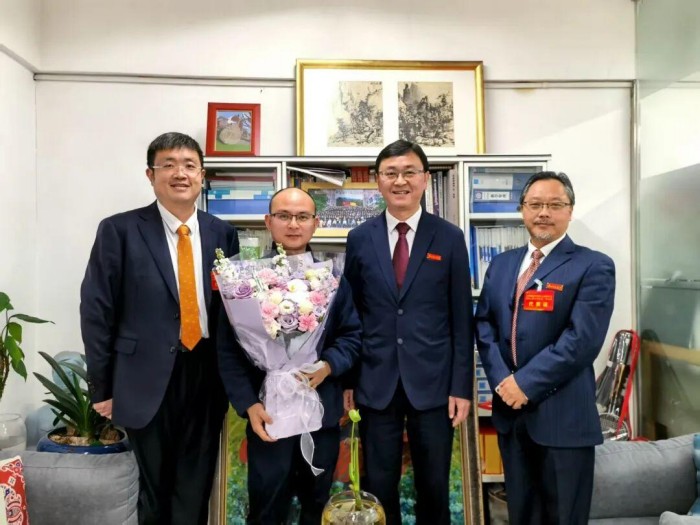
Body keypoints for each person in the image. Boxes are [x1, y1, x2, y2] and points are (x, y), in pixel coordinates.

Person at [80, 132, 240, 525]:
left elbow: (233, 310)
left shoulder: (222, 232)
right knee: (155, 492)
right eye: (168, 165)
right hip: (143, 376)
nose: (179, 173)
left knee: (196, 486)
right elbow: (97, 310)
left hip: (206, 374)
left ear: (202, 175)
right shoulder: (119, 230)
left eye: (189, 165)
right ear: (150, 175)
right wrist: (102, 388)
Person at [343, 139, 474, 525]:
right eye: (390, 173)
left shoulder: (449, 237)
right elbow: (351, 315)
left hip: (434, 385)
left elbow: (461, 318)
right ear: (378, 181)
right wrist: (349, 381)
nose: (400, 181)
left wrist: (461, 387)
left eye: (409, 172)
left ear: (425, 179)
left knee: (433, 486)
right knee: (379, 486)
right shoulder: (360, 238)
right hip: (375, 381)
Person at [475, 171, 615, 525]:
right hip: (512, 417)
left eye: (555, 204)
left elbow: (581, 340)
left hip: (564, 419)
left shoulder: (593, 265)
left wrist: (524, 384)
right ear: (522, 209)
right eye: (535, 204)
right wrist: (503, 381)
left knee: (564, 517)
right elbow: (484, 325)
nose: (544, 213)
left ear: (570, 210)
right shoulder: (502, 264)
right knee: (522, 515)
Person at [217, 187, 361, 525]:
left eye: (302, 217)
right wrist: (249, 405)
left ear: (315, 223)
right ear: (268, 222)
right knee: (266, 506)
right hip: (267, 414)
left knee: (316, 505)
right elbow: (228, 350)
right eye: (283, 216)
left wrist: (328, 366)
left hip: (319, 412)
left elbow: (352, 336)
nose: (293, 224)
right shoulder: (243, 281)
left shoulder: (333, 278)